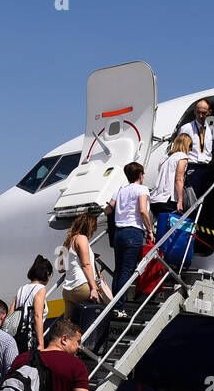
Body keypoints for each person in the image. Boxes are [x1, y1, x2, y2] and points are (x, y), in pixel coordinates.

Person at [104, 163, 151, 303]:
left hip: (119, 233)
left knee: (118, 270)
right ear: (140, 174)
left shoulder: (120, 191)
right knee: (127, 271)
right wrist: (150, 230)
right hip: (133, 231)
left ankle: (113, 304)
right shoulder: (142, 189)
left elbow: (107, 210)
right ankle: (119, 306)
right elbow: (143, 211)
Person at [56, 212, 110, 316]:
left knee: (69, 326)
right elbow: (86, 264)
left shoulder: (67, 242)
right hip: (82, 286)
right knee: (99, 314)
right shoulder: (81, 238)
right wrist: (93, 288)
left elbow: (60, 268)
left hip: (68, 291)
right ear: (89, 227)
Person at [7, 255, 51, 351]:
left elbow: (10, 313)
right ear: (47, 273)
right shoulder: (41, 289)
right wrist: (41, 344)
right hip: (29, 337)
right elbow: (37, 316)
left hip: (16, 336)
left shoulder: (22, 289)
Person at [180, 100, 214, 202]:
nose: (200, 116)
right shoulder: (186, 128)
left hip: (207, 167)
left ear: (209, 112)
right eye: (198, 112)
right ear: (194, 112)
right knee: (192, 199)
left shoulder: (212, 129)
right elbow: (181, 150)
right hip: (193, 167)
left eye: (204, 113)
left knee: (207, 199)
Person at [151, 132, 193, 220]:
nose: (191, 149)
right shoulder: (182, 158)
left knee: (162, 229)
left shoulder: (165, 158)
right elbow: (178, 180)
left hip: (155, 199)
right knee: (175, 228)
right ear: (186, 145)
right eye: (190, 146)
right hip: (168, 199)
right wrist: (180, 201)